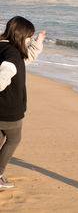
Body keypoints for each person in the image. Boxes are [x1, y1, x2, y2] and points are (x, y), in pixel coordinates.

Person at [0, 16, 45, 188]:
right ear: (20, 36)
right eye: (28, 37)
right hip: (9, 110)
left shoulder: (4, 47)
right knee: (13, 139)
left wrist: (37, 43)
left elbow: (24, 60)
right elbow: (6, 73)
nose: (29, 40)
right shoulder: (12, 55)